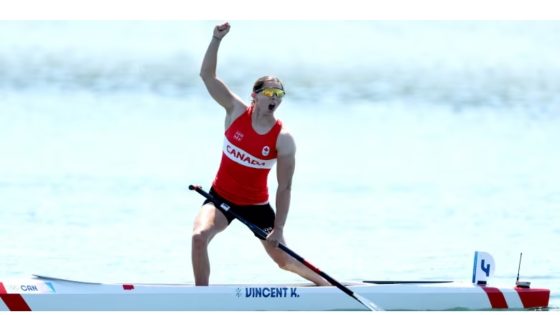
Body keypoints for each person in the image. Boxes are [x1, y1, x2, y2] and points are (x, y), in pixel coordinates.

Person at [191, 22, 329, 287]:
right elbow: (207, 76)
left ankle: (329, 288)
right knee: (199, 237)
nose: (275, 98)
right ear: (255, 95)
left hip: (257, 208)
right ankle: (202, 299)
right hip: (220, 198)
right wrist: (216, 39)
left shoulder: (283, 139)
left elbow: (285, 187)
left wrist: (278, 229)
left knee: (286, 261)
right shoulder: (234, 111)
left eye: (279, 94)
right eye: (269, 92)